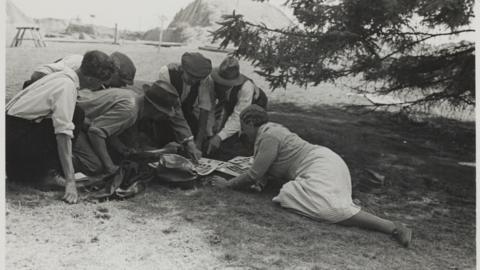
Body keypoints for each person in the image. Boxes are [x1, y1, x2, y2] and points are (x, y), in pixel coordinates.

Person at [212, 105, 413, 247]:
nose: (243, 131)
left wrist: (226, 185)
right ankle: (360, 212)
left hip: (321, 165)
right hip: (325, 161)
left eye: (243, 126)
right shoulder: (271, 131)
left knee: (317, 206)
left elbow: (254, 174)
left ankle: (393, 227)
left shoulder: (269, 136)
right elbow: (266, 171)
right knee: (320, 201)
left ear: (250, 122)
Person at [6, 50, 115, 204]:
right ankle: (45, 174)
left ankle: (25, 172)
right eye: (100, 82)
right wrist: (70, 180)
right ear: (90, 79)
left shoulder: (62, 73)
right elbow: (63, 134)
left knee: (76, 112)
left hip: (11, 135)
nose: (101, 86)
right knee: (76, 116)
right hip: (15, 137)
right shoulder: (67, 85)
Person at [73, 80, 202, 174]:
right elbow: (96, 132)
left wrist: (120, 146)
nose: (162, 118)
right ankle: (54, 163)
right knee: (94, 165)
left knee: (114, 155)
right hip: (70, 118)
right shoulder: (130, 111)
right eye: (163, 114)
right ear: (155, 110)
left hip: (81, 119)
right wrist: (109, 166)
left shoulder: (133, 99)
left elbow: (105, 127)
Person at [206, 56, 267, 155]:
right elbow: (210, 106)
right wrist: (209, 131)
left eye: (226, 84)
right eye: (220, 82)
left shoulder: (246, 88)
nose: (222, 85)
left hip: (255, 103)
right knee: (219, 131)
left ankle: (249, 152)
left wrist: (219, 137)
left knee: (249, 130)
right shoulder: (212, 81)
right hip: (231, 101)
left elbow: (238, 116)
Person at [158, 52, 216, 151]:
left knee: (194, 135)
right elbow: (174, 110)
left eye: (197, 79)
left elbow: (204, 108)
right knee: (166, 139)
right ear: (182, 69)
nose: (193, 81)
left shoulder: (204, 78)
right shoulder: (166, 73)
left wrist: (198, 142)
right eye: (191, 77)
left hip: (187, 111)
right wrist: (188, 139)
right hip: (166, 112)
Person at [23, 51, 136, 90]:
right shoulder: (78, 63)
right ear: (114, 73)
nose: (122, 87)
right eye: (121, 82)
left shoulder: (100, 82)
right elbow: (38, 75)